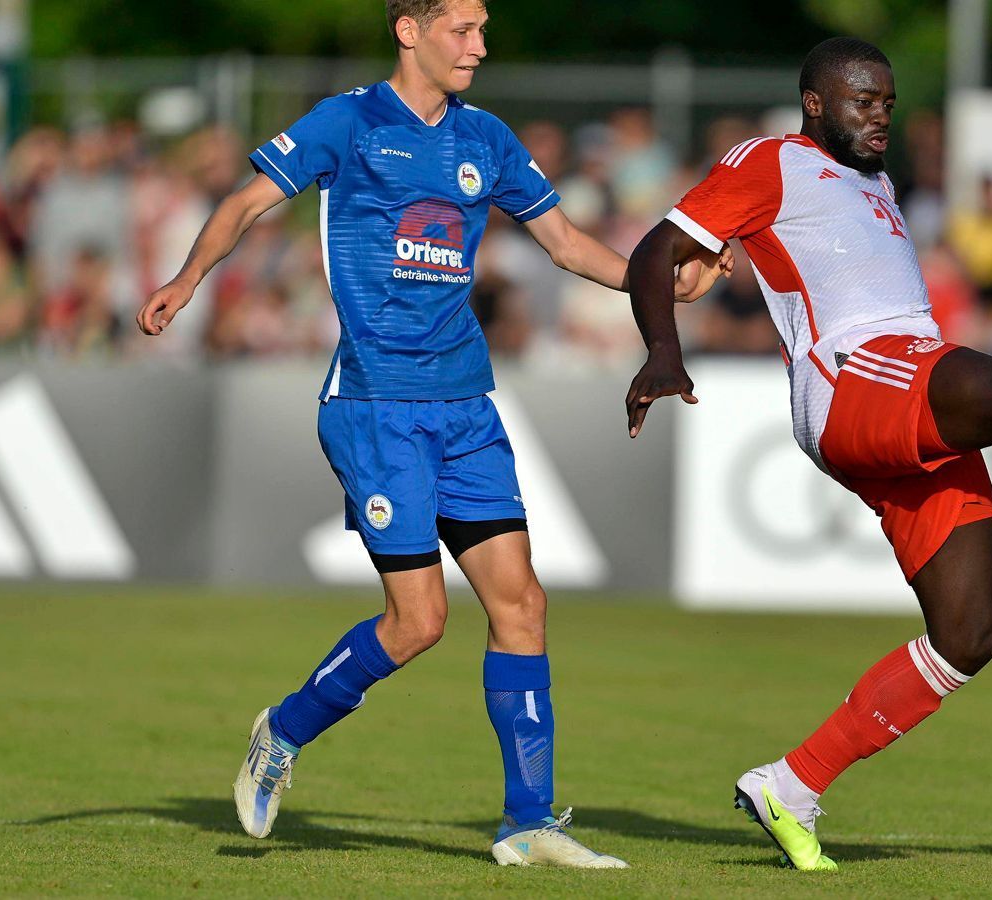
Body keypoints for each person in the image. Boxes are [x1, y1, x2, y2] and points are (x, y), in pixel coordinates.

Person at [136, 0, 726, 869]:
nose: (479, 48)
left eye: (484, 31)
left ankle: (527, 822)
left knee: (522, 603)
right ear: (408, 29)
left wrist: (660, 286)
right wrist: (188, 281)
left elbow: (563, 241)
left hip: (466, 403)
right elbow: (248, 200)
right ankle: (283, 732)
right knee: (417, 623)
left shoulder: (485, 137)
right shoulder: (350, 119)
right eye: (463, 28)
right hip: (375, 404)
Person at [623, 37, 992, 871]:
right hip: (852, 378)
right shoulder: (771, 160)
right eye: (861, 101)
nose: (879, 117)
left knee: (968, 634)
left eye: (887, 103)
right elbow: (657, 248)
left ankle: (790, 786)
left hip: (905, 383)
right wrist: (663, 349)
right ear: (814, 103)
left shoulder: (879, 183)